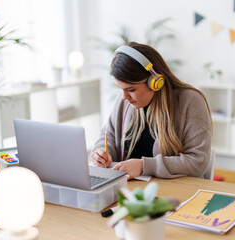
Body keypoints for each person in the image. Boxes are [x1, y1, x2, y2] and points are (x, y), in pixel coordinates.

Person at [91, 42, 212, 179]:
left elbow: (198, 161)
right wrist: (101, 152)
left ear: (155, 82)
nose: (124, 96)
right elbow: (109, 135)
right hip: (129, 188)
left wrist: (144, 166)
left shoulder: (190, 101)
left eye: (131, 89)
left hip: (173, 191)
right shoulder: (124, 99)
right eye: (120, 88)